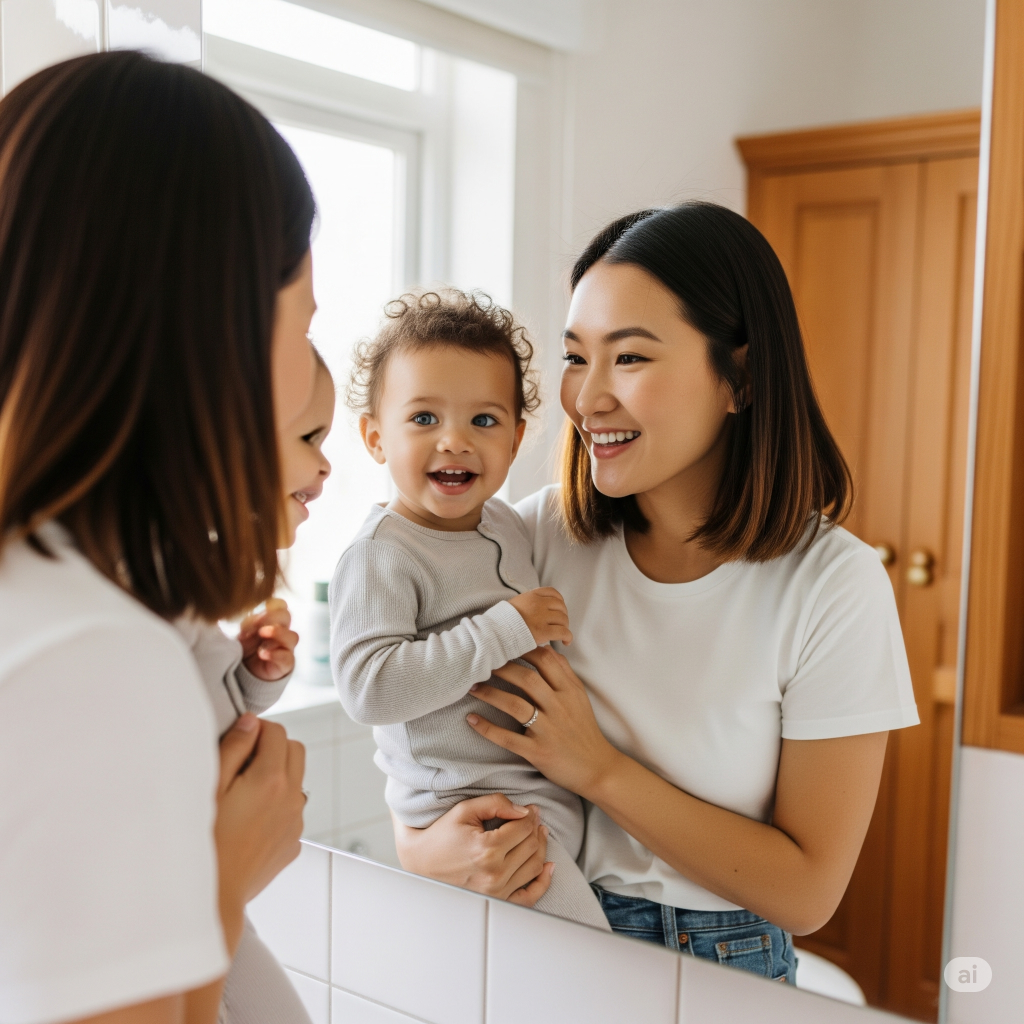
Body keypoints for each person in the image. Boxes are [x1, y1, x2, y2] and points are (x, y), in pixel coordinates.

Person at [390, 204, 920, 982]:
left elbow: (808, 892)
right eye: (577, 357)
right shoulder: (529, 539)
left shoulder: (832, 584)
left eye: (629, 359)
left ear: (738, 376)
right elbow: (429, 753)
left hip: (717, 964)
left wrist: (596, 768)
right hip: (533, 932)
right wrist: (429, 852)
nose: (587, 398)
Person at [0, 52, 315, 1024]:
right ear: (214, 336)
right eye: (302, 321)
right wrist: (222, 870)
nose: (305, 377)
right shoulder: (95, 658)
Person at [330, 290, 609, 930]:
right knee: (593, 966)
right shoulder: (381, 555)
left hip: (544, 794)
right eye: (424, 418)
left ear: (514, 441)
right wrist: (506, 628)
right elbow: (370, 690)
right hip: (475, 810)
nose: (454, 441)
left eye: (483, 421)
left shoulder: (510, 524)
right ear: (375, 437)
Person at [178, 350, 336, 1023]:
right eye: (308, 438)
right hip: (186, 895)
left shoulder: (185, 598)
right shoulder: (144, 608)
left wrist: (250, 680)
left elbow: (204, 724)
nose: (325, 468)